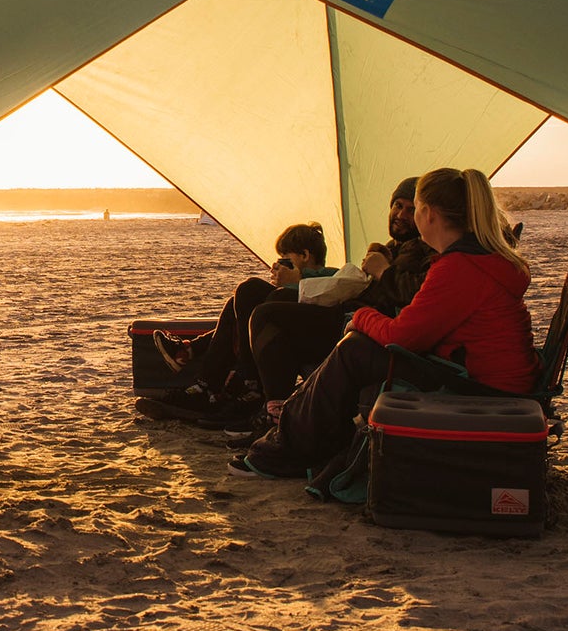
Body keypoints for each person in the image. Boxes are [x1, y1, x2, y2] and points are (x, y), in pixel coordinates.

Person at [234, 167, 536, 478]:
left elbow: (403, 336)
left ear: (428, 214)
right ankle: (299, 439)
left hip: (480, 387)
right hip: (481, 376)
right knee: (358, 347)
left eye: (415, 207)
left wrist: (361, 317)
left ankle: (288, 449)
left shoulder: (460, 268)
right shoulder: (477, 259)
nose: (409, 215)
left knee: (354, 351)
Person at [238, 177, 432, 432]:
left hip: (360, 326)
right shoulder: (391, 248)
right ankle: (249, 391)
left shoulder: (426, 249)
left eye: (410, 209)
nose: (401, 215)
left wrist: (383, 271)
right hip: (349, 313)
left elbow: (417, 295)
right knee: (255, 292)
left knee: (269, 314)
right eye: (397, 206)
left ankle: (277, 415)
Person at [139, 221, 332, 424]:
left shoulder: (332, 277)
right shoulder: (298, 283)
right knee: (237, 302)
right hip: (281, 332)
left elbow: (316, 299)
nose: (279, 264)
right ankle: (205, 384)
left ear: (304, 255)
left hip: (305, 337)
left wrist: (295, 282)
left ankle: (239, 380)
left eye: (285, 259)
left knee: (250, 289)